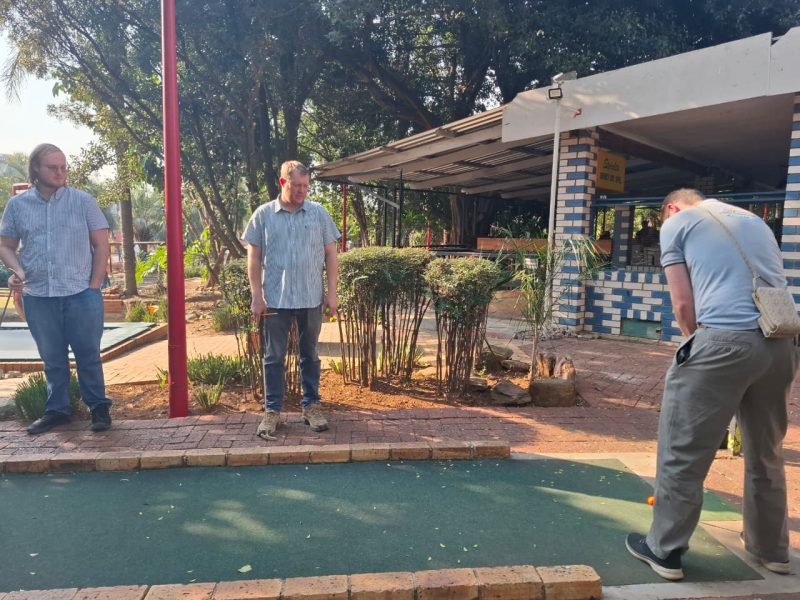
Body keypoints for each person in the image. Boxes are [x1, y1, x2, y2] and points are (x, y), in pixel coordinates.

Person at [626, 188, 797, 580]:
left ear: (671, 208)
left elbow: (683, 305)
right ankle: (772, 550)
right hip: (781, 343)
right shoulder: (756, 222)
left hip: (723, 340)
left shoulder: (678, 224)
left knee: (682, 449)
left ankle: (664, 549)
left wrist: (696, 344)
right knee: (766, 452)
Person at [0, 143, 113, 434]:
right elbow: (6, 245)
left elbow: (101, 245)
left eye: (63, 167)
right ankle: (58, 410)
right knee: (52, 358)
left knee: (88, 355)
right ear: (36, 169)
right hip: (38, 295)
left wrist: (93, 286)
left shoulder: (83, 201)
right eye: (53, 167)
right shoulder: (17, 206)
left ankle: (98, 408)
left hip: (81, 293)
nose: (60, 172)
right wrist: (17, 271)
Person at [242, 160, 340, 439]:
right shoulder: (263, 215)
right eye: (296, 185)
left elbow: (331, 254)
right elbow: (254, 257)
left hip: (310, 297)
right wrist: (257, 296)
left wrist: (331, 294)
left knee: (310, 355)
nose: (302, 191)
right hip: (275, 300)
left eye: (306, 186)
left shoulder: (319, 213)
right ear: (283, 182)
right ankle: (272, 411)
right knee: (273, 357)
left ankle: (311, 407)